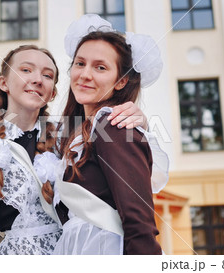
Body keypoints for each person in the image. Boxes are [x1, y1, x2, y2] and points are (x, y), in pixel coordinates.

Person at [0, 44, 150, 255]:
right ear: (3, 83)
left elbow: (119, 180)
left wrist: (140, 120)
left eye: (48, 75)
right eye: (26, 70)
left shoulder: (69, 143)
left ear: (52, 93)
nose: (37, 79)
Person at [53, 15, 169, 255]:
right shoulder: (78, 134)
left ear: (121, 81)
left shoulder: (113, 125)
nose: (85, 74)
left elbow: (139, 222)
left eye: (100, 67)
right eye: (80, 63)